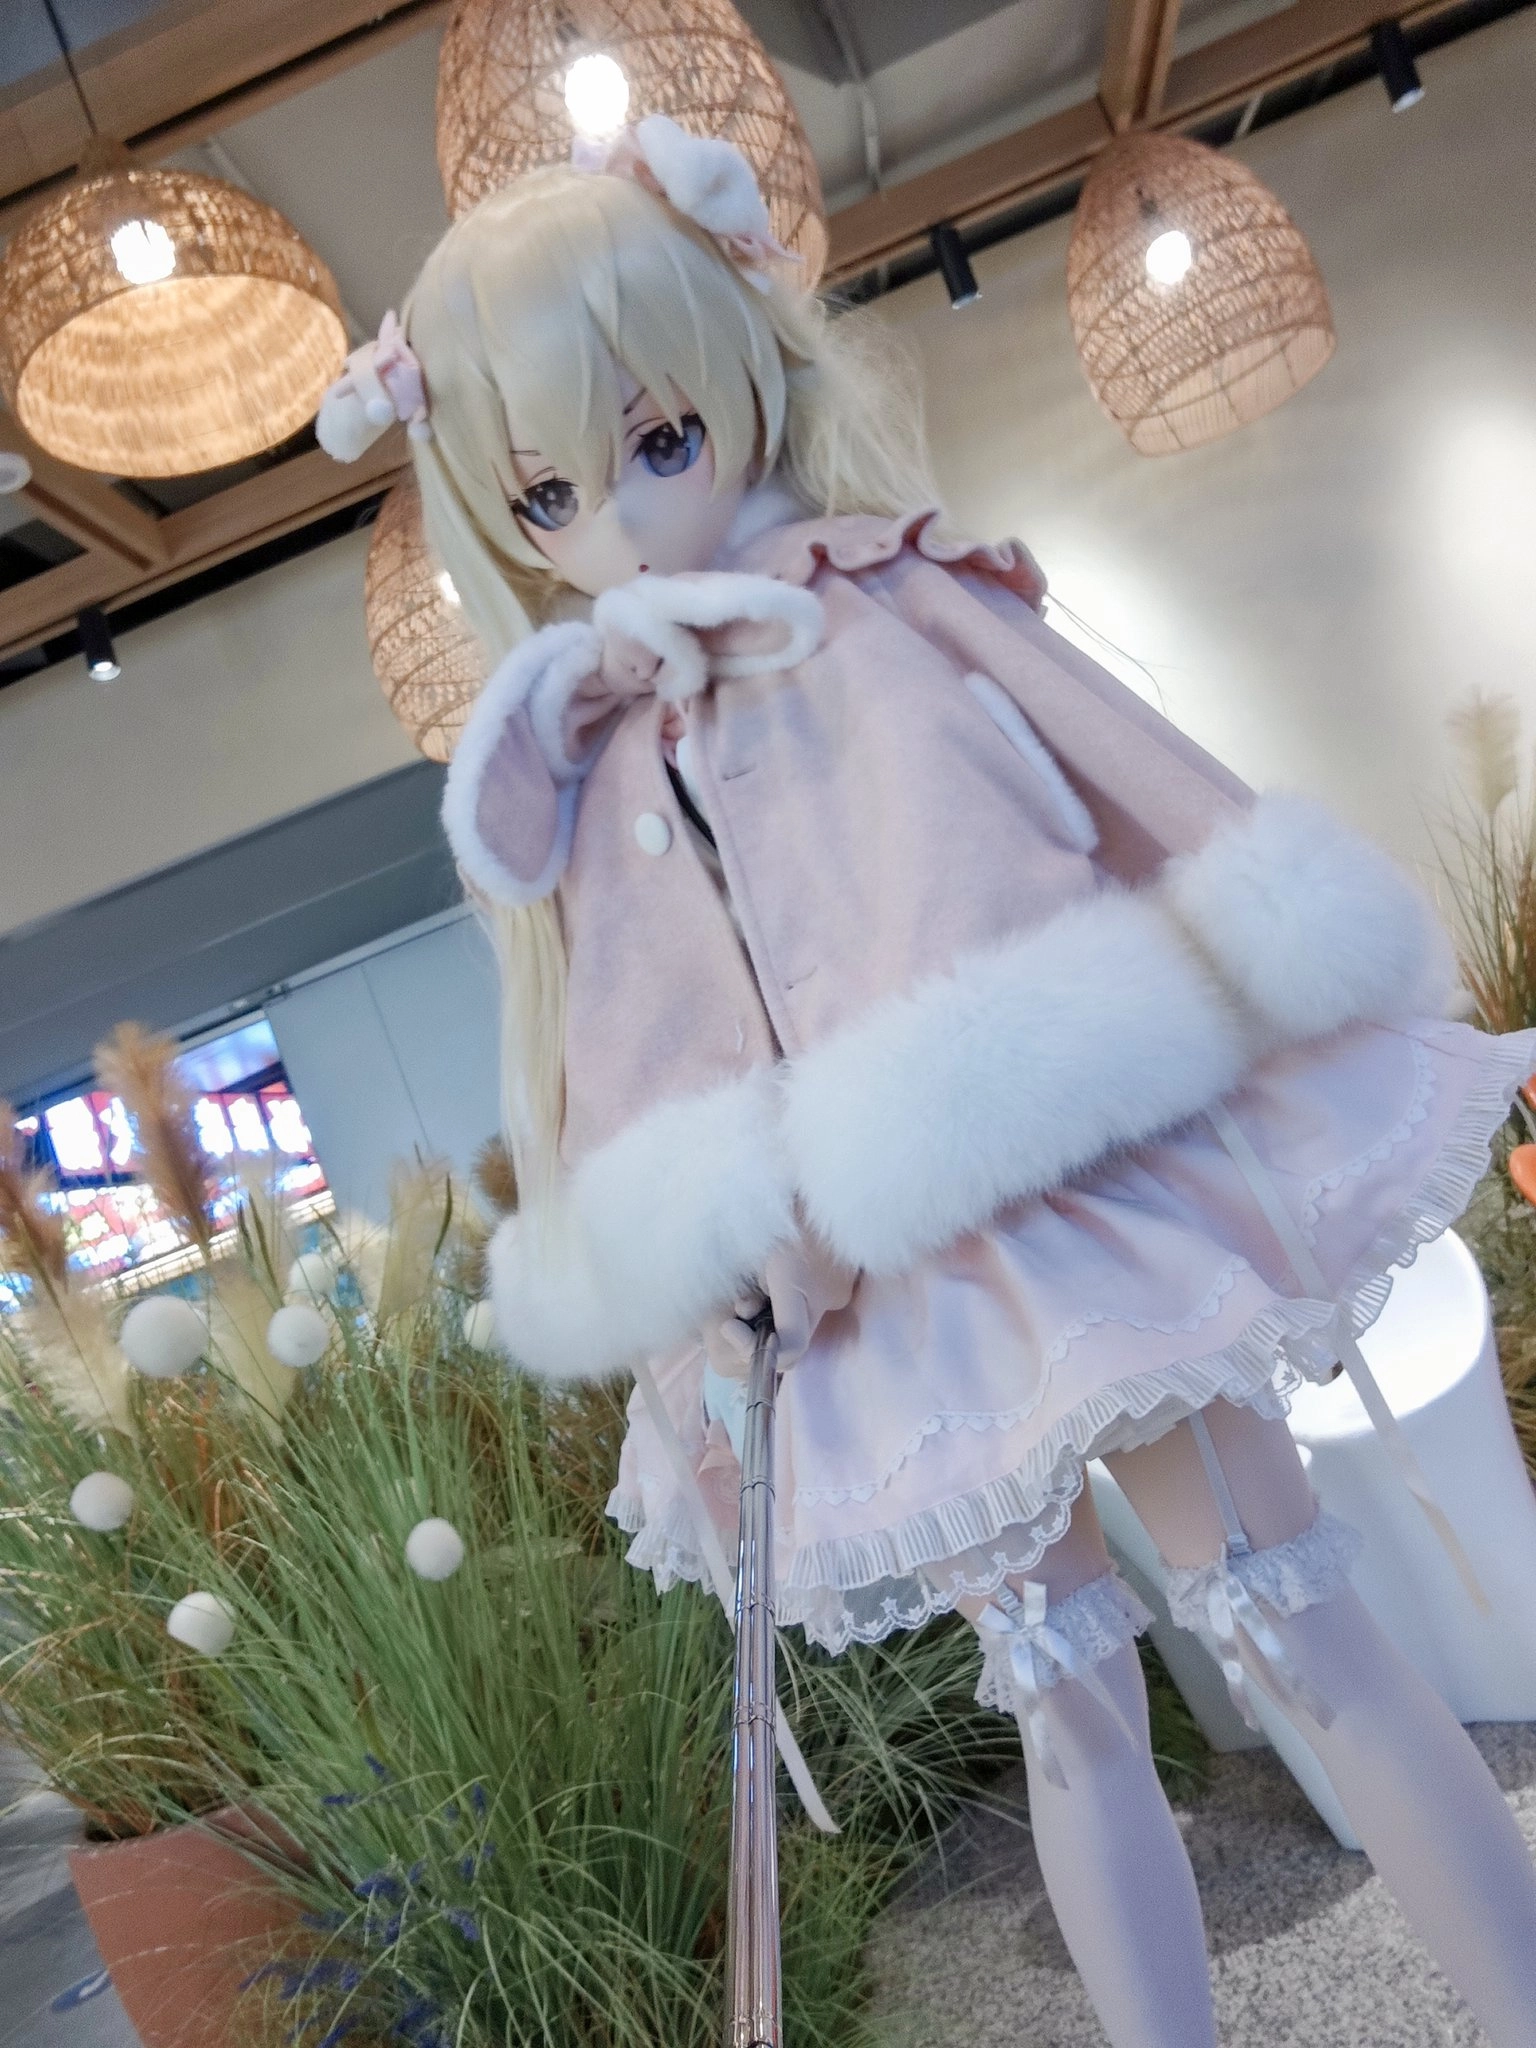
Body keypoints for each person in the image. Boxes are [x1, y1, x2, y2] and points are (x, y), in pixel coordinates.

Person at [318, 118, 1536, 2046]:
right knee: (1067, 1709)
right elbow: (632, 1067)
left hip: (1072, 1181)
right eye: (550, 491)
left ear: (736, 369)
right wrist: (699, 1258)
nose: (623, 521)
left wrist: (1268, 966)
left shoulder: (882, 595)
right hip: (870, 1299)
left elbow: (1127, 783)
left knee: (1292, 1616)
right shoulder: (596, 761)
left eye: (658, 439)